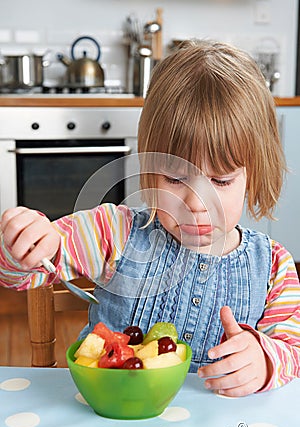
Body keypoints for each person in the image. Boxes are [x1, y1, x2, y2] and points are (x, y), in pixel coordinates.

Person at [0, 40, 299, 397]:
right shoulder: (114, 233)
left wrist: (265, 361)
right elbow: (23, 273)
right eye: (175, 178)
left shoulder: (274, 267)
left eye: (220, 180)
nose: (195, 203)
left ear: (253, 173)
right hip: (113, 418)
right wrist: (24, 245)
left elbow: (292, 353)